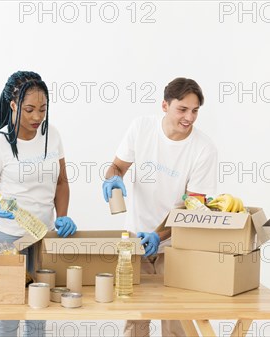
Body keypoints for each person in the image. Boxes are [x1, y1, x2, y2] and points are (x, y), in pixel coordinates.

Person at [102, 77, 219, 337]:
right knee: (135, 321)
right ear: (165, 105)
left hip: (177, 246)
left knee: (177, 322)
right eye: (183, 109)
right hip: (133, 241)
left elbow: (194, 209)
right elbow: (118, 166)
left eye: (195, 110)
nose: (189, 117)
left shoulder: (204, 150)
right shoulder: (141, 128)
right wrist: (113, 178)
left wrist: (159, 235)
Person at [0, 71, 77, 337]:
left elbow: (61, 182)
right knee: (9, 310)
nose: (36, 117)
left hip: (40, 236)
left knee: (38, 311)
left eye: (43, 109)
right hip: (7, 238)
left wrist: (62, 215)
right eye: (29, 109)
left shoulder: (51, 135)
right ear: (13, 105)